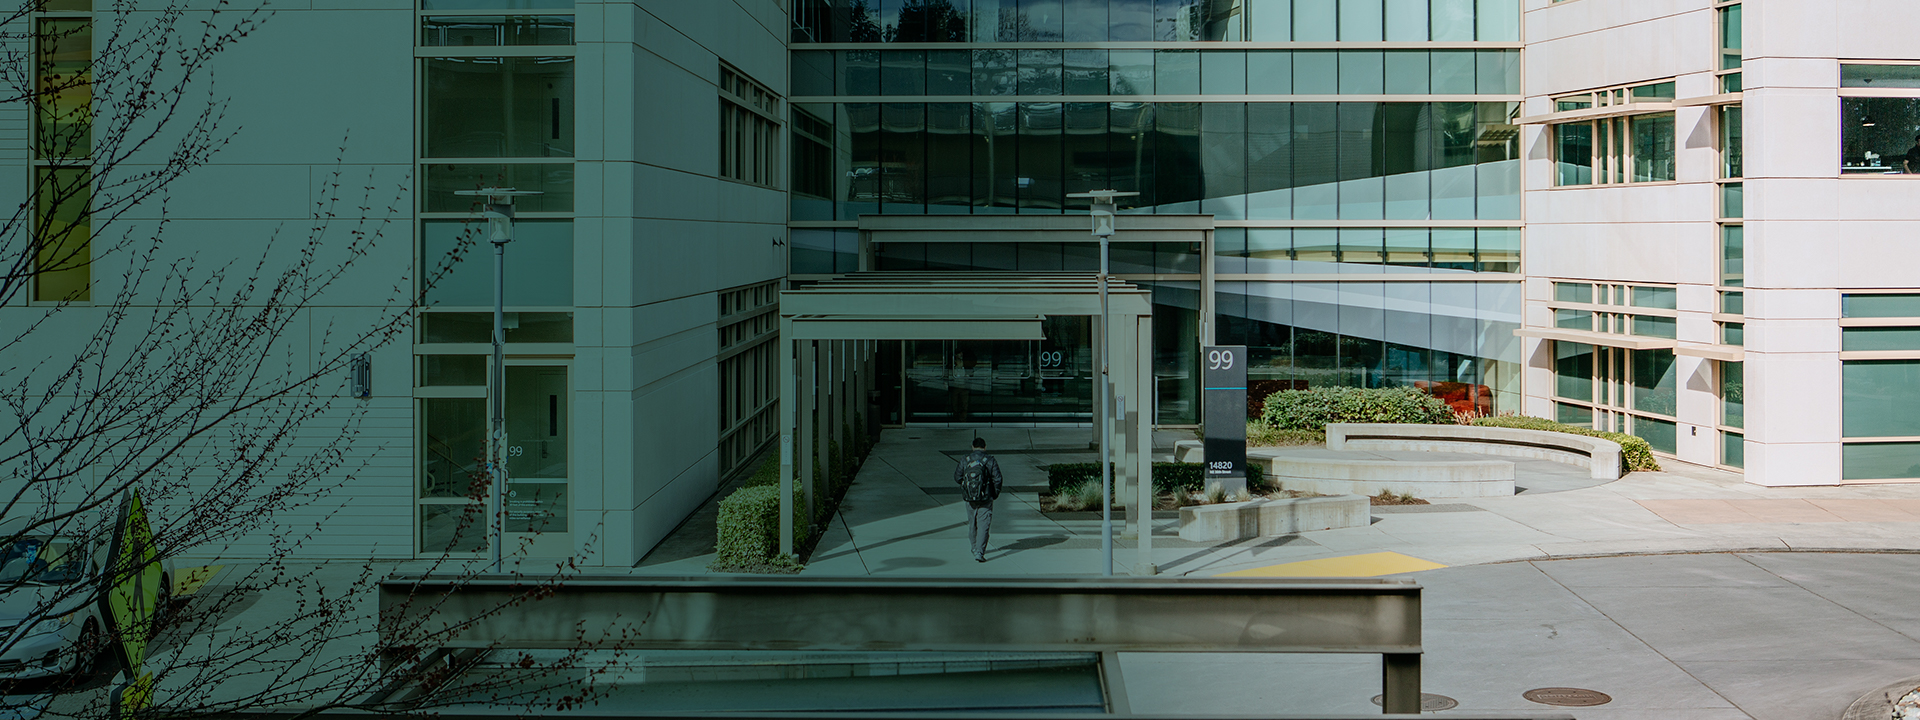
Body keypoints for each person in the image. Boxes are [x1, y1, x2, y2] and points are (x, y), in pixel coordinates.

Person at [952, 437, 1004, 562]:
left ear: (972, 447)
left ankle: (974, 547)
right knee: (983, 525)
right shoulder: (990, 460)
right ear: (985, 447)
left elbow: (957, 477)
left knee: (972, 524)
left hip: (970, 498)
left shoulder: (965, 459)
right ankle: (979, 553)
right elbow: (998, 479)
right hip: (986, 498)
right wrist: (994, 494)